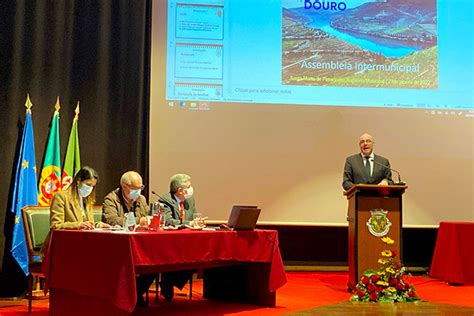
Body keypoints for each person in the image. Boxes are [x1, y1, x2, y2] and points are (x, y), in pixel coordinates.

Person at [102, 170, 153, 307]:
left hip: (138, 244)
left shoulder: (141, 199)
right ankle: (128, 297)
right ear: (125, 187)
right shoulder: (111, 199)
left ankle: (136, 293)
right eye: (136, 189)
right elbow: (112, 220)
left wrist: (149, 220)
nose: (139, 192)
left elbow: (147, 216)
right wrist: (139, 220)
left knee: (153, 262)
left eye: (141, 188)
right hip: (116, 246)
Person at [158, 173, 196, 301]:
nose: (191, 189)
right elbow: (168, 221)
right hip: (170, 242)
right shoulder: (165, 200)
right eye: (189, 186)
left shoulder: (190, 200)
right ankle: (167, 282)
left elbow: (193, 216)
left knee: (197, 256)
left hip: (187, 240)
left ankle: (169, 281)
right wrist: (188, 223)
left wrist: (197, 221)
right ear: (180, 190)